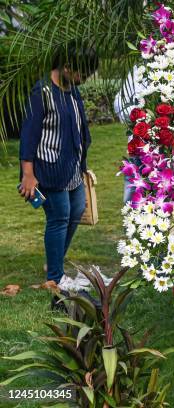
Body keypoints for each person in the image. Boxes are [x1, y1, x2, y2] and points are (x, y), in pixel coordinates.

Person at [18, 43, 98, 308]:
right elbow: (29, 135)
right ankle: (55, 276)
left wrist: (82, 162)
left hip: (72, 167)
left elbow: (78, 127)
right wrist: (28, 174)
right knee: (59, 216)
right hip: (49, 169)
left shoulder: (71, 91)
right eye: (81, 74)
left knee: (77, 209)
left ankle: (54, 262)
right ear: (65, 67)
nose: (84, 80)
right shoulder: (41, 93)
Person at [113, 66, 145, 203]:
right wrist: (142, 116)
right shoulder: (142, 68)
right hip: (139, 146)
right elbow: (120, 103)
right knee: (133, 199)